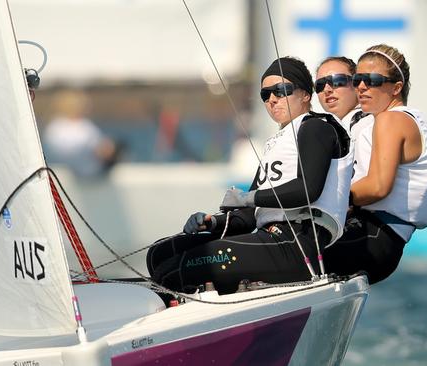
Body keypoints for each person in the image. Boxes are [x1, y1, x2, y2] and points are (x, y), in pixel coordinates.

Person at [146, 57, 353, 294]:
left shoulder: (315, 127)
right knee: (160, 254)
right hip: (271, 238)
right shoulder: (276, 143)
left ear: (306, 94)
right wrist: (212, 222)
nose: (272, 99)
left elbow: (307, 190)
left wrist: (247, 197)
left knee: (176, 269)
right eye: (266, 95)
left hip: (297, 242)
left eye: (281, 90)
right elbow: (248, 218)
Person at [323, 44, 427, 284]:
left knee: (278, 256)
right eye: (357, 79)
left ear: (396, 88)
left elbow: (378, 187)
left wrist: (321, 198)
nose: (361, 87)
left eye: (372, 80)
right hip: (386, 245)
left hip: (370, 238)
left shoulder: (391, 119)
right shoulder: (422, 122)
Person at [43, 90, 119, 178]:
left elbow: (101, 143)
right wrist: (94, 150)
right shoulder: (56, 127)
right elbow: (60, 152)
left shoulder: (86, 125)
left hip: (96, 173)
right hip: (69, 177)